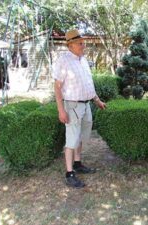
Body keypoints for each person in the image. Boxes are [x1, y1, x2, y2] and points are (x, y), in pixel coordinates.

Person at [53, 29, 106, 188]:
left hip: (86, 105)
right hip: (72, 106)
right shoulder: (63, 61)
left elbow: (88, 84)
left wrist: (97, 100)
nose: (84, 45)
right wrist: (61, 110)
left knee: (81, 137)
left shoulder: (82, 60)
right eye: (80, 43)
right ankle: (69, 173)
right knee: (72, 140)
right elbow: (57, 87)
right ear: (71, 45)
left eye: (83, 42)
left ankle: (77, 163)